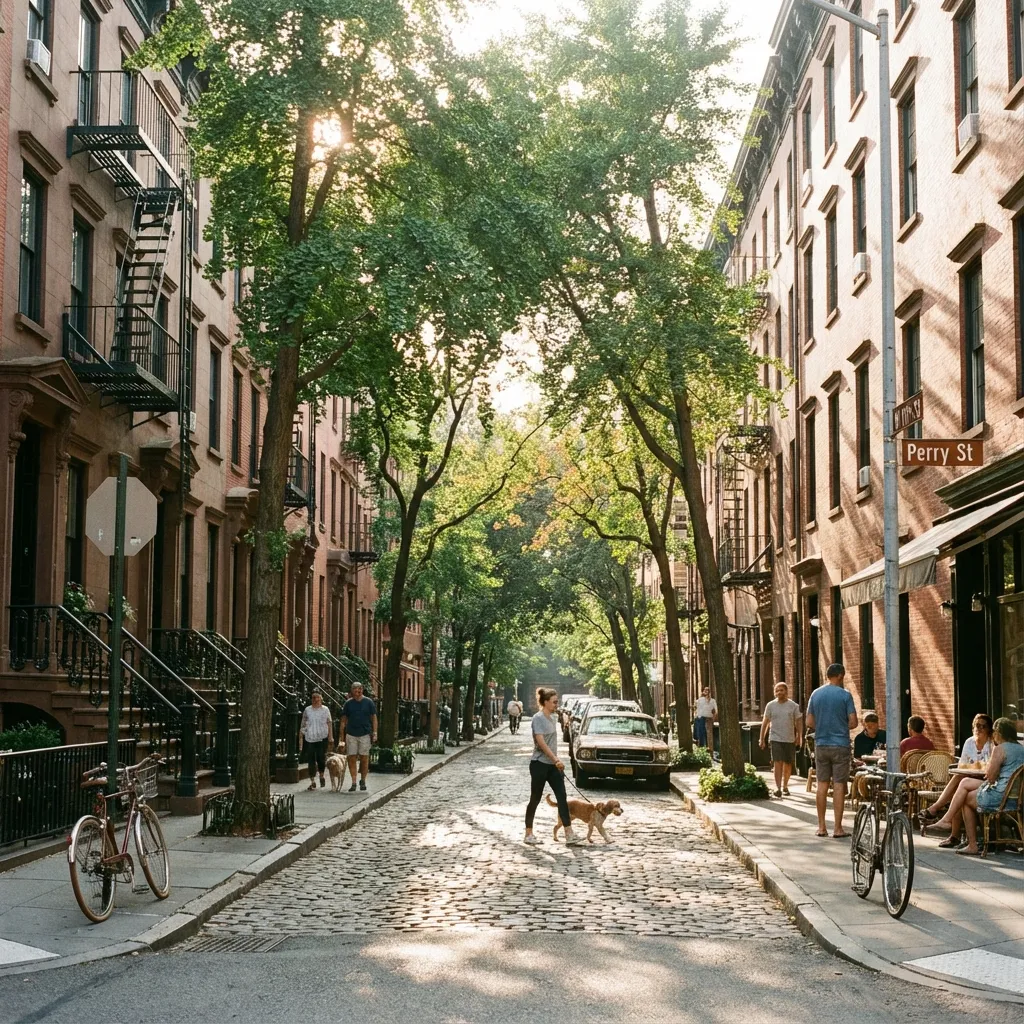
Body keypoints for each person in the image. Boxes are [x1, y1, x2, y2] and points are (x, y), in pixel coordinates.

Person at [931, 717, 1024, 855]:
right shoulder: (1021, 749)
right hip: (1016, 797)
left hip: (1000, 796)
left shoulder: (1000, 749)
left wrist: (992, 767)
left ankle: (971, 844)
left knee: (966, 799)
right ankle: (947, 819)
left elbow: (990, 777)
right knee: (964, 782)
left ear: (998, 733)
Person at [804, 663, 858, 839]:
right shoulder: (845, 695)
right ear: (841, 675)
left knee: (821, 785)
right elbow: (853, 722)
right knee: (839, 785)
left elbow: (809, 722)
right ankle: (837, 828)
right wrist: (841, 725)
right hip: (840, 745)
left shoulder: (816, 694)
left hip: (821, 744)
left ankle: (821, 827)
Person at [524, 688, 581, 846]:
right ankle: (528, 834)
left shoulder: (554, 718)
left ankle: (569, 833)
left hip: (553, 766)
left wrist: (556, 762)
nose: (557, 704)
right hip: (539, 764)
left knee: (562, 797)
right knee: (535, 799)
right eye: (554, 701)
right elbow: (541, 743)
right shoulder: (538, 718)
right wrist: (556, 759)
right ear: (546, 702)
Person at [920, 714, 993, 824]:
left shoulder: (992, 744)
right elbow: (962, 765)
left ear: (989, 729)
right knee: (959, 778)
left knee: (961, 784)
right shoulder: (969, 742)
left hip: (986, 779)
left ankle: (937, 811)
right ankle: (950, 830)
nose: (979, 729)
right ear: (973, 727)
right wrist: (976, 766)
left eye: (983, 726)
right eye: (977, 725)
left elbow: (990, 767)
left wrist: (974, 766)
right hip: (971, 777)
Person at [759, 682, 803, 797]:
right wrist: (761, 738)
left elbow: (798, 722)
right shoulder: (770, 705)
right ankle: (778, 788)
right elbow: (765, 722)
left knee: (788, 764)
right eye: (777, 690)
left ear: (786, 692)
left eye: (781, 690)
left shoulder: (793, 706)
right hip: (775, 738)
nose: (779, 692)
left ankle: (785, 786)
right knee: (777, 762)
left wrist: (799, 736)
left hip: (789, 739)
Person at [340, 683, 377, 793]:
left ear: (362, 690)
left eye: (360, 689)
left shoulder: (368, 702)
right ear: (351, 691)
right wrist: (341, 738)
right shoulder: (348, 704)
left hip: (365, 733)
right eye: (355, 689)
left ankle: (363, 780)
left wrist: (375, 732)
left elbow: (374, 718)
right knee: (351, 758)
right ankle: (354, 782)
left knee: (364, 758)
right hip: (351, 734)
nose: (358, 691)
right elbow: (343, 721)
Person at [299, 691, 333, 792]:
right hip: (310, 737)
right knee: (311, 760)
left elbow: (329, 722)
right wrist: (301, 733)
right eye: (313, 698)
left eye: (317, 698)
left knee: (321, 758)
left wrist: (330, 736)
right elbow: (303, 722)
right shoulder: (307, 710)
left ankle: (321, 775)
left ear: (321, 699)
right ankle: (312, 781)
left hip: (322, 737)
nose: (315, 700)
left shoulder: (325, 709)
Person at [694, 687, 719, 758]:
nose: (706, 692)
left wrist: (713, 719)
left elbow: (715, 711)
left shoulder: (713, 701)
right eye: (705, 691)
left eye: (708, 691)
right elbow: (696, 707)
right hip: (701, 719)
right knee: (701, 735)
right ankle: (701, 752)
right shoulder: (700, 700)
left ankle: (710, 753)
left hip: (709, 719)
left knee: (709, 736)